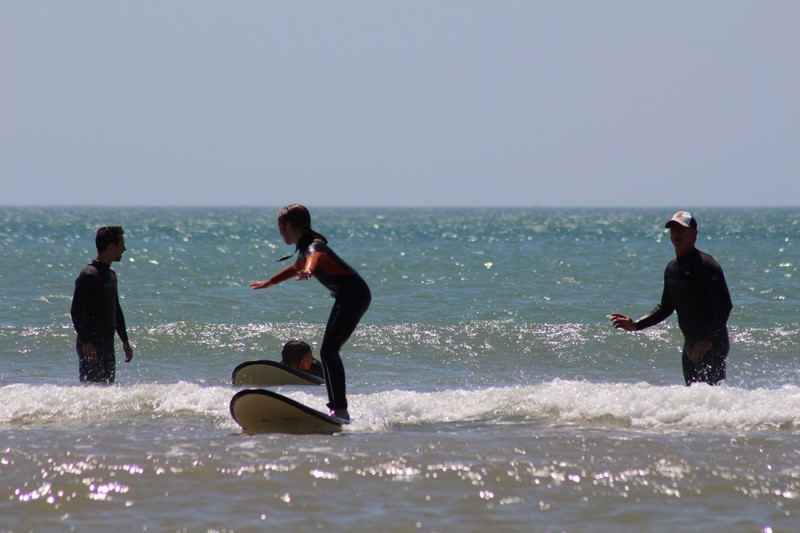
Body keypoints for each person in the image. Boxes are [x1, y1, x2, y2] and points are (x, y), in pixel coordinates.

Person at [251, 204, 371, 421]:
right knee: (328, 352)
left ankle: (340, 409)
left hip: (354, 296)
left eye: (280, 228)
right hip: (347, 297)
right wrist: (270, 282)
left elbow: (313, 257)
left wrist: (309, 269)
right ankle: (337, 408)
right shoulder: (304, 246)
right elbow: (298, 266)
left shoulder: (315, 246)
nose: (280, 233)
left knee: (329, 352)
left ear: (287, 226)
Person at [610, 211, 733, 386]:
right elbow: (666, 307)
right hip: (690, 345)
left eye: (682, 229)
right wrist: (636, 325)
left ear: (694, 234)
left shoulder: (707, 266)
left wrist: (707, 341)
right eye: (673, 230)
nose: (677, 233)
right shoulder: (672, 269)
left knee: (711, 398)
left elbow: (724, 306)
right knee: (693, 398)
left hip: (712, 345)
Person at [70, 226, 133, 384]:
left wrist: (124, 341)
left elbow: (116, 309)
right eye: (121, 245)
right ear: (111, 247)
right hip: (91, 346)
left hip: (107, 346)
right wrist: (86, 342)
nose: (124, 249)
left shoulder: (111, 275)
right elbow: (76, 311)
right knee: (90, 390)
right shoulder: (89, 275)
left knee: (107, 389)